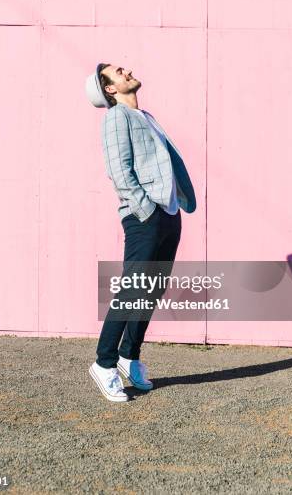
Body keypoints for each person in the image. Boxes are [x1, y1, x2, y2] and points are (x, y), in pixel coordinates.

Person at [85, 63, 196, 402]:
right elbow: (119, 169)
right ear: (110, 89)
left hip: (168, 212)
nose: (127, 70)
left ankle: (128, 357)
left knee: (151, 290)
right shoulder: (116, 117)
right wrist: (144, 209)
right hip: (144, 215)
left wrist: (173, 205)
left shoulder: (145, 115)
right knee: (133, 288)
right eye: (118, 72)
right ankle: (104, 364)